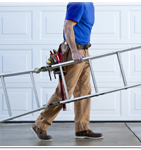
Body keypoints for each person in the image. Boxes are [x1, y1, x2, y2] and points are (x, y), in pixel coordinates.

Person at [31, 2, 103, 141]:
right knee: (64, 92)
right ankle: (40, 124)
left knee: (84, 90)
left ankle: (82, 128)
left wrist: (82, 52)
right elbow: (67, 26)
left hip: (85, 51)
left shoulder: (90, 4)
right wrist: (75, 51)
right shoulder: (78, 3)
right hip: (74, 51)